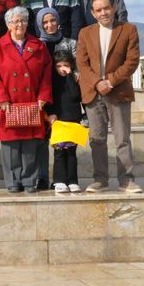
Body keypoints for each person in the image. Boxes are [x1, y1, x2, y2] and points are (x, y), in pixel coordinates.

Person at [76, 0, 142, 193]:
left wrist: (111, 81)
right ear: (93, 13)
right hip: (93, 93)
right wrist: (97, 83)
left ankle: (127, 180)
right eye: (98, 10)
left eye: (106, 8)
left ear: (113, 8)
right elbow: (82, 63)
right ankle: (100, 180)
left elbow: (132, 61)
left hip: (118, 91)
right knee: (97, 140)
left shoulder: (128, 29)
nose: (103, 12)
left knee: (122, 138)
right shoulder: (85, 33)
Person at [0, 6, 53, 194]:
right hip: (8, 103)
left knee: (31, 144)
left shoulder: (38, 46)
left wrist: (43, 96)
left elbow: (47, 73)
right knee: (11, 144)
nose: (20, 24)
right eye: (15, 21)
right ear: (8, 25)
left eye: (23, 20)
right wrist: (2, 98)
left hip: (32, 102)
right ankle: (13, 181)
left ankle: (30, 180)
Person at [45, 49, 83, 194]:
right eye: (59, 65)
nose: (62, 68)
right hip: (58, 120)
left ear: (71, 65)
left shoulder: (74, 79)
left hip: (73, 120)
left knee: (72, 152)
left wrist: (69, 76)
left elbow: (75, 95)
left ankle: (73, 181)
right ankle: (59, 181)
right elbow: (50, 99)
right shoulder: (52, 80)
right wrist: (51, 113)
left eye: (65, 65)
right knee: (59, 152)